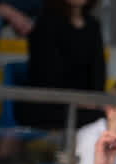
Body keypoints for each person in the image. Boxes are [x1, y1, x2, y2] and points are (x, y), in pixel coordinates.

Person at [17, 0, 104, 130]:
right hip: (48, 102)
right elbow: (46, 72)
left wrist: (93, 99)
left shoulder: (93, 25)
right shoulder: (46, 23)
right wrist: (77, 100)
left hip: (84, 104)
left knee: (108, 116)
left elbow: (98, 70)